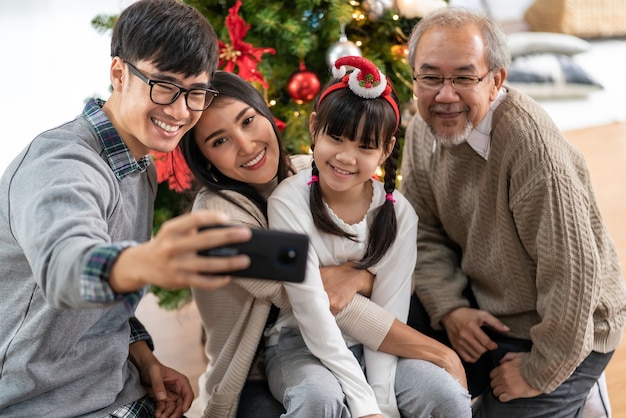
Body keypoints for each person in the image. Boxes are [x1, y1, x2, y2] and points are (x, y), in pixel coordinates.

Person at [0, 1, 254, 416]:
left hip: (116, 386)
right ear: (119, 73)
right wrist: (147, 261)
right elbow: (67, 268)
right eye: (165, 86)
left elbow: (105, 308)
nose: (180, 110)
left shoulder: (139, 167)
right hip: (39, 404)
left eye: (196, 93)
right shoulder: (60, 164)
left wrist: (143, 357)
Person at [181, 69, 470, 418]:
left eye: (248, 121)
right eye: (219, 141)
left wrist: (361, 277)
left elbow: (398, 280)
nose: (246, 145)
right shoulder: (217, 223)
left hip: (362, 343)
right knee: (319, 399)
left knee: (441, 393)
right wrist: (439, 353)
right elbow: (317, 299)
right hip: (257, 370)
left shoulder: (320, 170)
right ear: (204, 157)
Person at [400, 7, 626, 418]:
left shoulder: (531, 148)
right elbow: (422, 231)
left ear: (496, 81)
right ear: (414, 76)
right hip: (486, 303)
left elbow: (573, 276)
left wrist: (540, 372)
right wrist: (450, 308)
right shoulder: (420, 129)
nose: (444, 95)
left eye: (464, 77)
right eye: (430, 77)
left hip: (570, 329)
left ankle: (585, 397)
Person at [263, 55, 469, 418]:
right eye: (336, 137)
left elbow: (387, 320)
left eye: (365, 146)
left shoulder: (400, 214)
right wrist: (364, 406)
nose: (345, 157)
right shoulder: (287, 202)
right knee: (318, 397)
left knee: (446, 397)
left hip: (377, 346)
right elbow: (313, 312)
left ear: (386, 150)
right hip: (300, 344)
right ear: (315, 129)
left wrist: (382, 406)